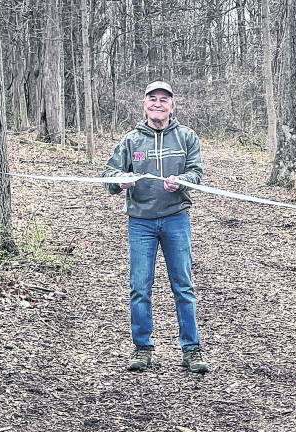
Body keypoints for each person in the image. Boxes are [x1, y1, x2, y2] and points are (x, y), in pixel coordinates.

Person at [103, 81, 208, 373]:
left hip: (176, 219)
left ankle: (191, 349)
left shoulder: (187, 137)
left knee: (183, 286)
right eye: (153, 99)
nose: (158, 104)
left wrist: (183, 181)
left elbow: (196, 173)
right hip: (141, 223)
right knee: (140, 287)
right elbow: (108, 175)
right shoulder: (130, 141)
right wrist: (120, 181)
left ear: (172, 105)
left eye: (164, 99)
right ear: (144, 104)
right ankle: (142, 348)